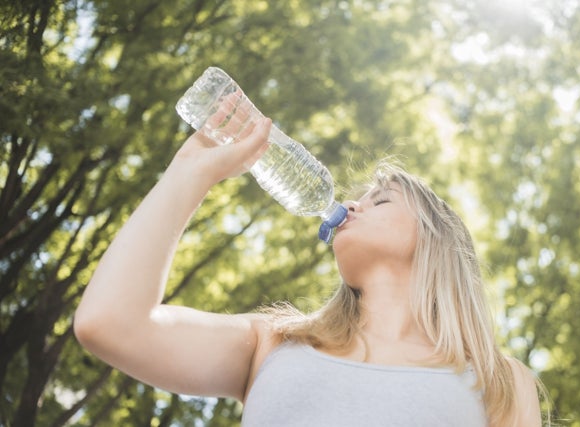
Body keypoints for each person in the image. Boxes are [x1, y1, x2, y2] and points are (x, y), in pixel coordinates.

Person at [74, 108, 545, 426]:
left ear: (434, 236)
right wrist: (191, 170)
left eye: (378, 199)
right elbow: (109, 323)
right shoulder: (272, 343)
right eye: (355, 199)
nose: (350, 206)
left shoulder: (499, 381)